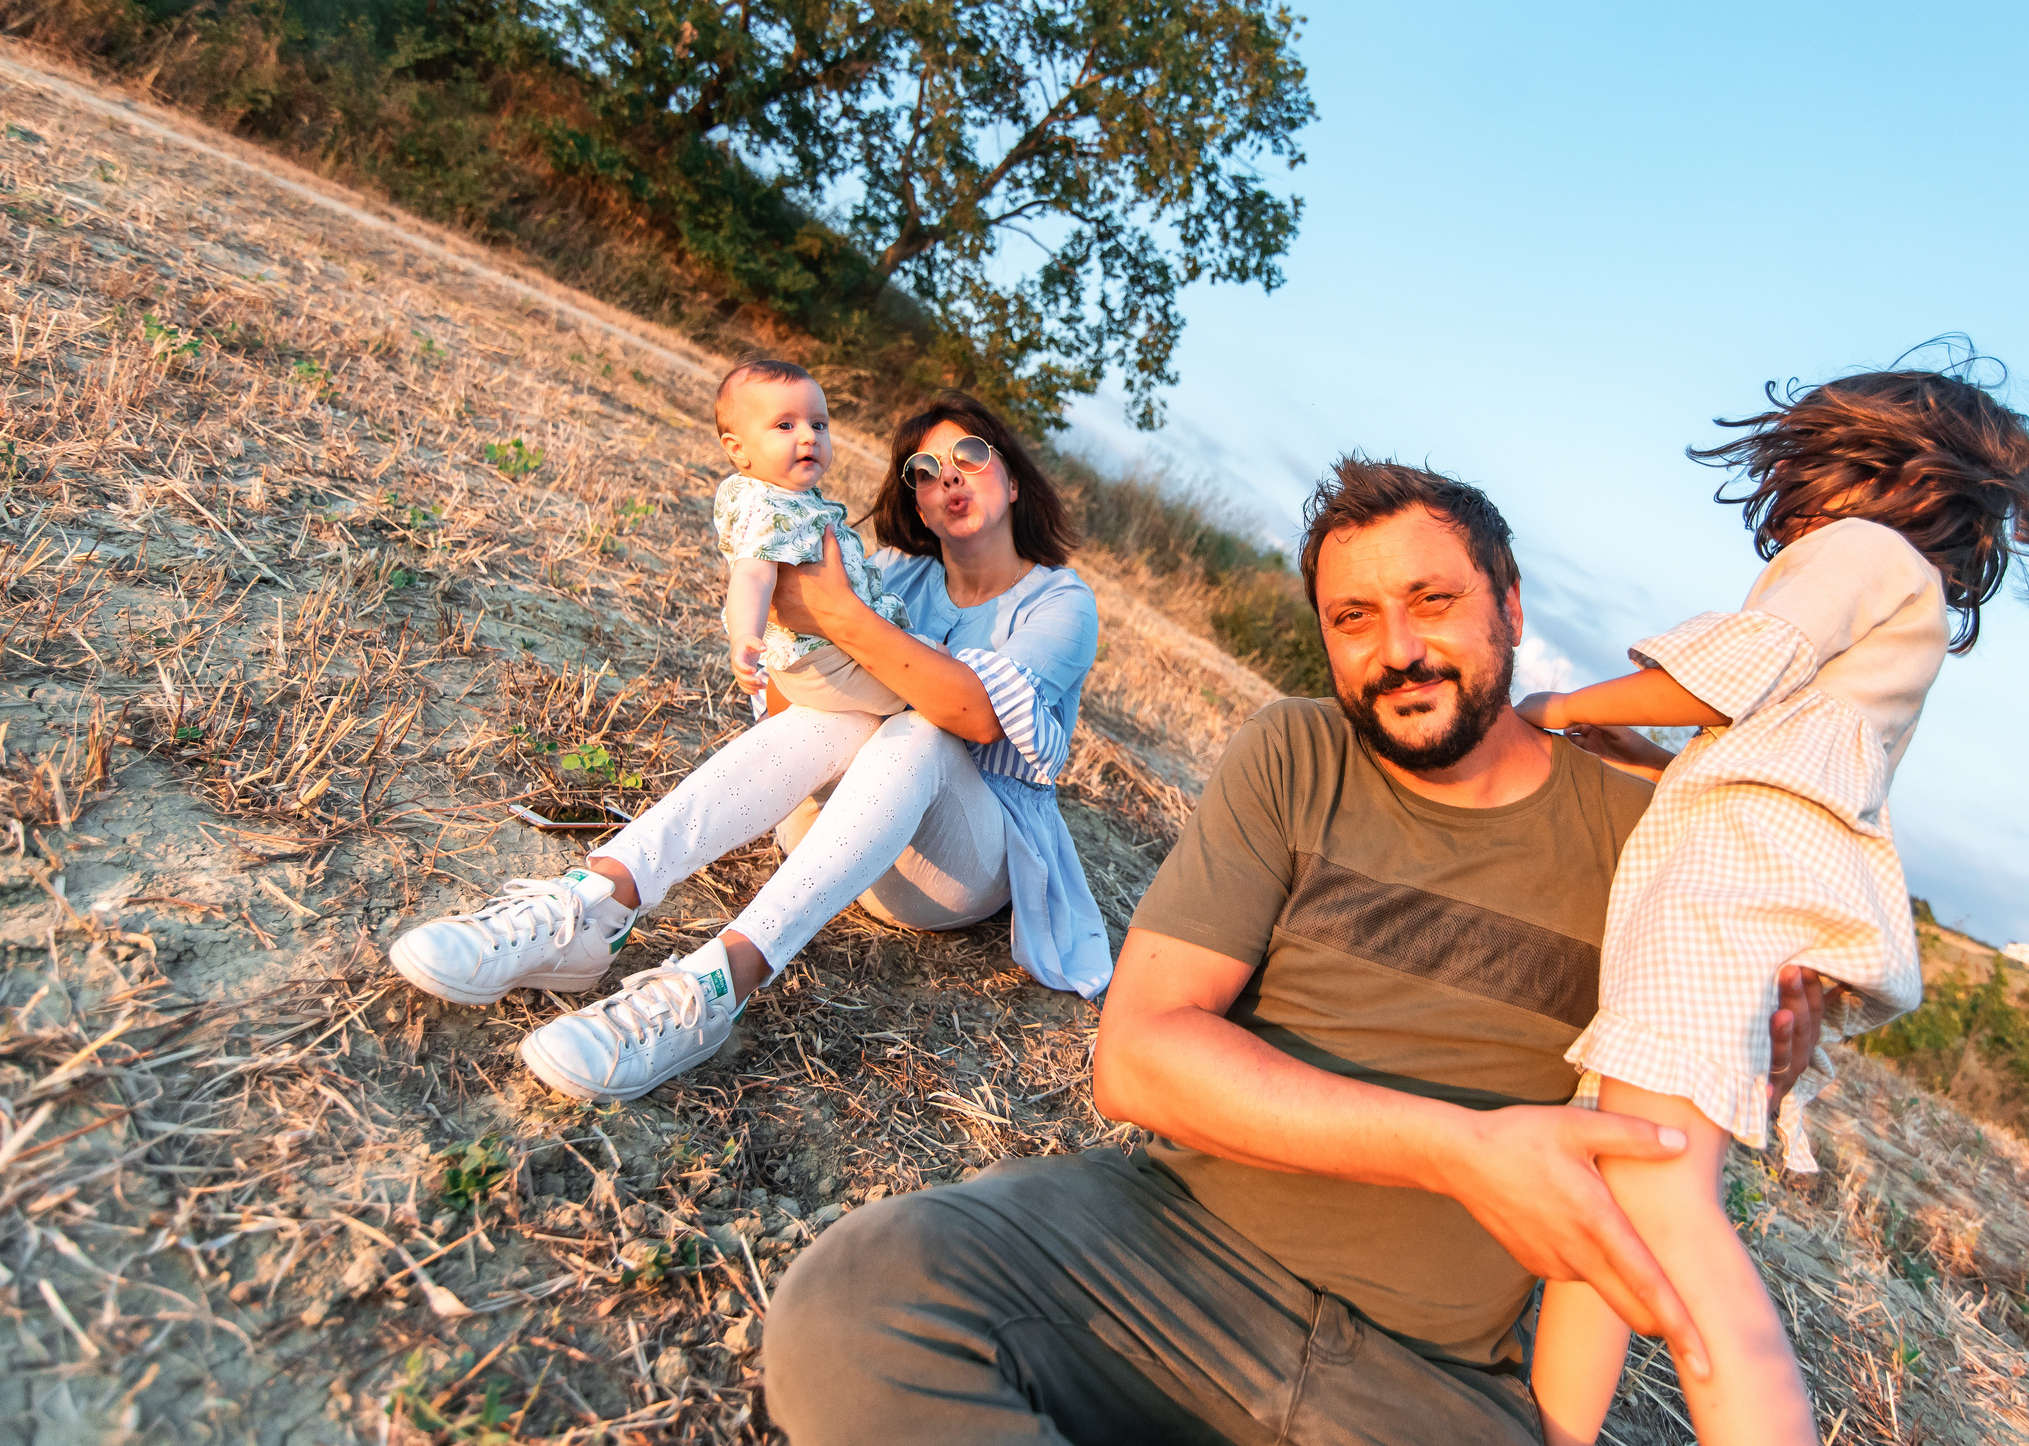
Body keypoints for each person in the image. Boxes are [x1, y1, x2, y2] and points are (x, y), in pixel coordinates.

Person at [762, 458, 1837, 1445]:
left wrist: (1756, 1051)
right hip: (1167, 1260)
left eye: (1433, 600)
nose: (1397, 648)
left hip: (1433, 1383)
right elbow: (1139, 1058)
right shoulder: (1295, 752)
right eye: (1352, 617)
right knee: (860, 1297)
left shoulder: (1655, 837)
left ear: (1510, 606)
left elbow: (1677, 1107)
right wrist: (1460, 1146)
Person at [1514, 359, 2029, 1446]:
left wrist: (1557, 702)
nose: (1784, 508)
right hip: (1736, 912)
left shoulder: (1863, 552)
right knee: (1620, 1186)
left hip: (1715, 916)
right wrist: (1648, 754)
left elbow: (1740, 664)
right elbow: (1778, 774)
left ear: (1850, 459)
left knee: (1663, 1197)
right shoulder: (1902, 604)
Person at [384, 392, 1112, 1103]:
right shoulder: (892, 572)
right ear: (916, 501)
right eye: (923, 468)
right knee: (850, 709)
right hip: (841, 837)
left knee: (921, 723)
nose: (946, 475)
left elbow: (975, 716)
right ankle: (599, 900)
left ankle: (718, 981)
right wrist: (798, 625)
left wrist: (839, 616)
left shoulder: (1059, 602)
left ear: (1013, 478)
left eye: (970, 456)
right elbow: (796, 711)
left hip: (959, 867)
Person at [708, 357, 912, 719]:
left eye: (819, 424)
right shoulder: (764, 505)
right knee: (913, 697)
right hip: (819, 659)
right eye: (785, 425)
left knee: (919, 667)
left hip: (834, 648)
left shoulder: (790, 498)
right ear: (738, 449)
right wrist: (744, 637)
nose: (809, 436)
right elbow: (752, 575)